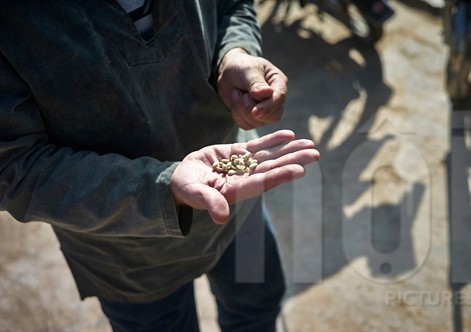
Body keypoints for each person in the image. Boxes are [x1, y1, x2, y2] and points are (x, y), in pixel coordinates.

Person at [0, 1, 319, 331]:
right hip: (126, 256)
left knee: (257, 309)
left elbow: (232, 6)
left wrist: (234, 54)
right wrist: (162, 186)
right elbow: (13, 167)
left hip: (237, 201)